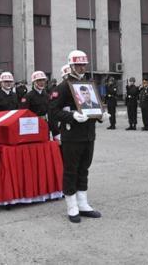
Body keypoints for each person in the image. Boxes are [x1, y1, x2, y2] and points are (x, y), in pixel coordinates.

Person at [48, 50, 109, 223]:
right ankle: (72, 206)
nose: (81, 67)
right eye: (78, 64)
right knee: (71, 170)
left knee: (84, 169)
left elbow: (93, 106)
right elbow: (53, 111)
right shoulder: (63, 86)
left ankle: (83, 203)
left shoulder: (89, 84)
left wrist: (100, 116)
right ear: (71, 65)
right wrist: (72, 116)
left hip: (88, 134)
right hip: (72, 135)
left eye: (83, 64)